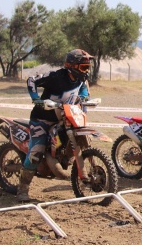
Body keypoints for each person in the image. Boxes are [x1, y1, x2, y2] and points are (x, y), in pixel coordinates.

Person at [18, 49, 93, 202]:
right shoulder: (55, 76)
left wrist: (84, 97)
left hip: (65, 118)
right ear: (71, 66)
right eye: (83, 67)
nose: (86, 70)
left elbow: (83, 88)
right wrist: (36, 98)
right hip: (43, 119)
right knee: (36, 152)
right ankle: (22, 189)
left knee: (82, 137)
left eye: (88, 67)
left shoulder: (81, 79)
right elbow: (31, 80)